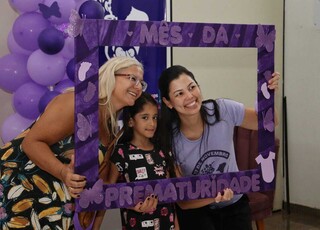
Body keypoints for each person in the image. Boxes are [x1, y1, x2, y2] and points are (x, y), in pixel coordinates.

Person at [0, 56, 145, 229]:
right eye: (132, 78)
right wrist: (63, 171)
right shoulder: (78, 103)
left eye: (142, 83)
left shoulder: (111, 129)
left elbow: (98, 185)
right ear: (110, 75)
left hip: (54, 209)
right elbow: (31, 143)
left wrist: (130, 200)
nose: (138, 87)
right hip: (19, 196)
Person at [158, 65, 280, 230]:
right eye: (179, 94)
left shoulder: (222, 110)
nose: (189, 96)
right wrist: (214, 195)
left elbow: (268, 123)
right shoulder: (168, 137)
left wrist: (265, 95)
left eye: (192, 87)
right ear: (168, 102)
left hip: (235, 203)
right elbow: (183, 201)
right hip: (197, 208)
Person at [106, 92, 178, 230]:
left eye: (155, 117)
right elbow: (109, 192)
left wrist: (177, 226)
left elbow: (171, 197)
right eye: (145, 117)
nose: (152, 123)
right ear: (131, 121)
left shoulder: (163, 151)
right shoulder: (121, 152)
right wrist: (130, 204)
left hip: (166, 224)